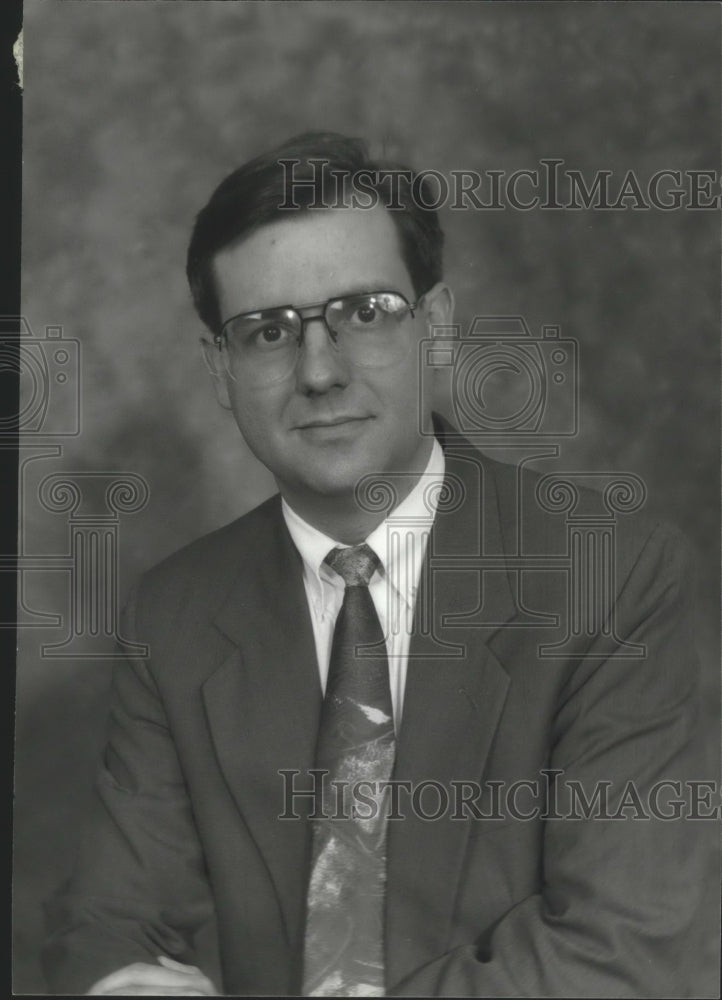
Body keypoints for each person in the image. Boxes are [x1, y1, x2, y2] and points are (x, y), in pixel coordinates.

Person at [43, 132, 710, 997]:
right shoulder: (173, 613)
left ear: (437, 327)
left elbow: (618, 954)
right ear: (220, 367)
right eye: (267, 331)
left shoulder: (611, 576)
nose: (318, 370)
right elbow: (111, 918)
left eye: (364, 313)